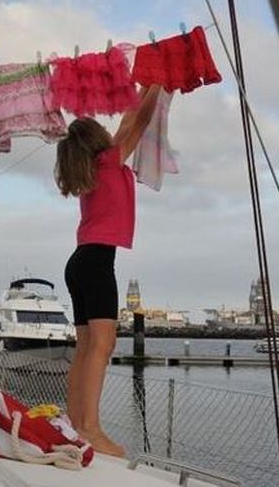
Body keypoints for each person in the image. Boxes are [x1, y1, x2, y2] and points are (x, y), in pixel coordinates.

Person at [55, 85, 162, 458]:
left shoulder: (92, 167)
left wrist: (148, 82)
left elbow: (131, 120)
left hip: (80, 261)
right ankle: (90, 428)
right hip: (97, 263)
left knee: (86, 347)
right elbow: (141, 120)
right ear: (97, 141)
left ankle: (73, 422)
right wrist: (160, 84)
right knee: (103, 345)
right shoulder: (109, 160)